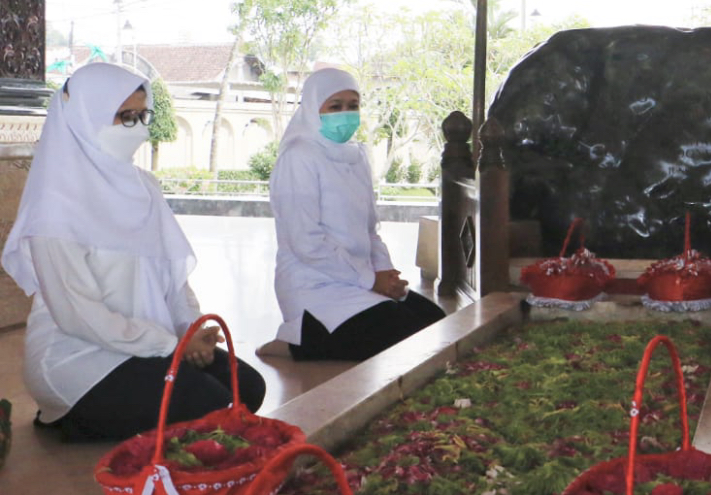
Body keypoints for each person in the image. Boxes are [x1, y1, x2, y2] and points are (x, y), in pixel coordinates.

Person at [0, 63, 265, 441]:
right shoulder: (55, 204)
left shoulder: (144, 186)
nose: (139, 129)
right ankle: (67, 416)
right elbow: (78, 315)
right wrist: (171, 345)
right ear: (85, 117)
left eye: (143, 116)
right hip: (80, 359)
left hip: (153, 345)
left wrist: (192, 331)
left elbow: (172, 277)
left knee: (248, 389)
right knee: (213, 404)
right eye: (125, 117)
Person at [269, 68, 445, 361]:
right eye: (335, 106)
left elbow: (370, 230)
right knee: (406, 333)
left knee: (434, 319)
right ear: (313, 108)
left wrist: (385, 273)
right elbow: (306, 243)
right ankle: (297, 342)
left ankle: (314, 340)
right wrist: (369, 281)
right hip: (316, 284)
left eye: (353, 106)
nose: (345, 114)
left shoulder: (357, 156)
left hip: (360, 278)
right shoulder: (298, 157)